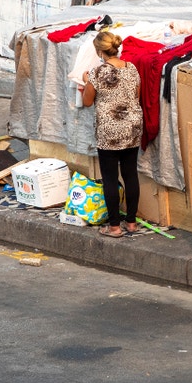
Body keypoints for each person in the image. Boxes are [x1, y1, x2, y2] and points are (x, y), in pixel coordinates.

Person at [81, 31, 143, 238]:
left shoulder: (97, 72)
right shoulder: (131, 68)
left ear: (100, 51)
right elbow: (136, 96)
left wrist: (87, 81)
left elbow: (87, 102)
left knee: (109, 177)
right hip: (132, 126)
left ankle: (115, 226)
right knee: (130, 174)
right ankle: (131, 222)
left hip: (109, 129)